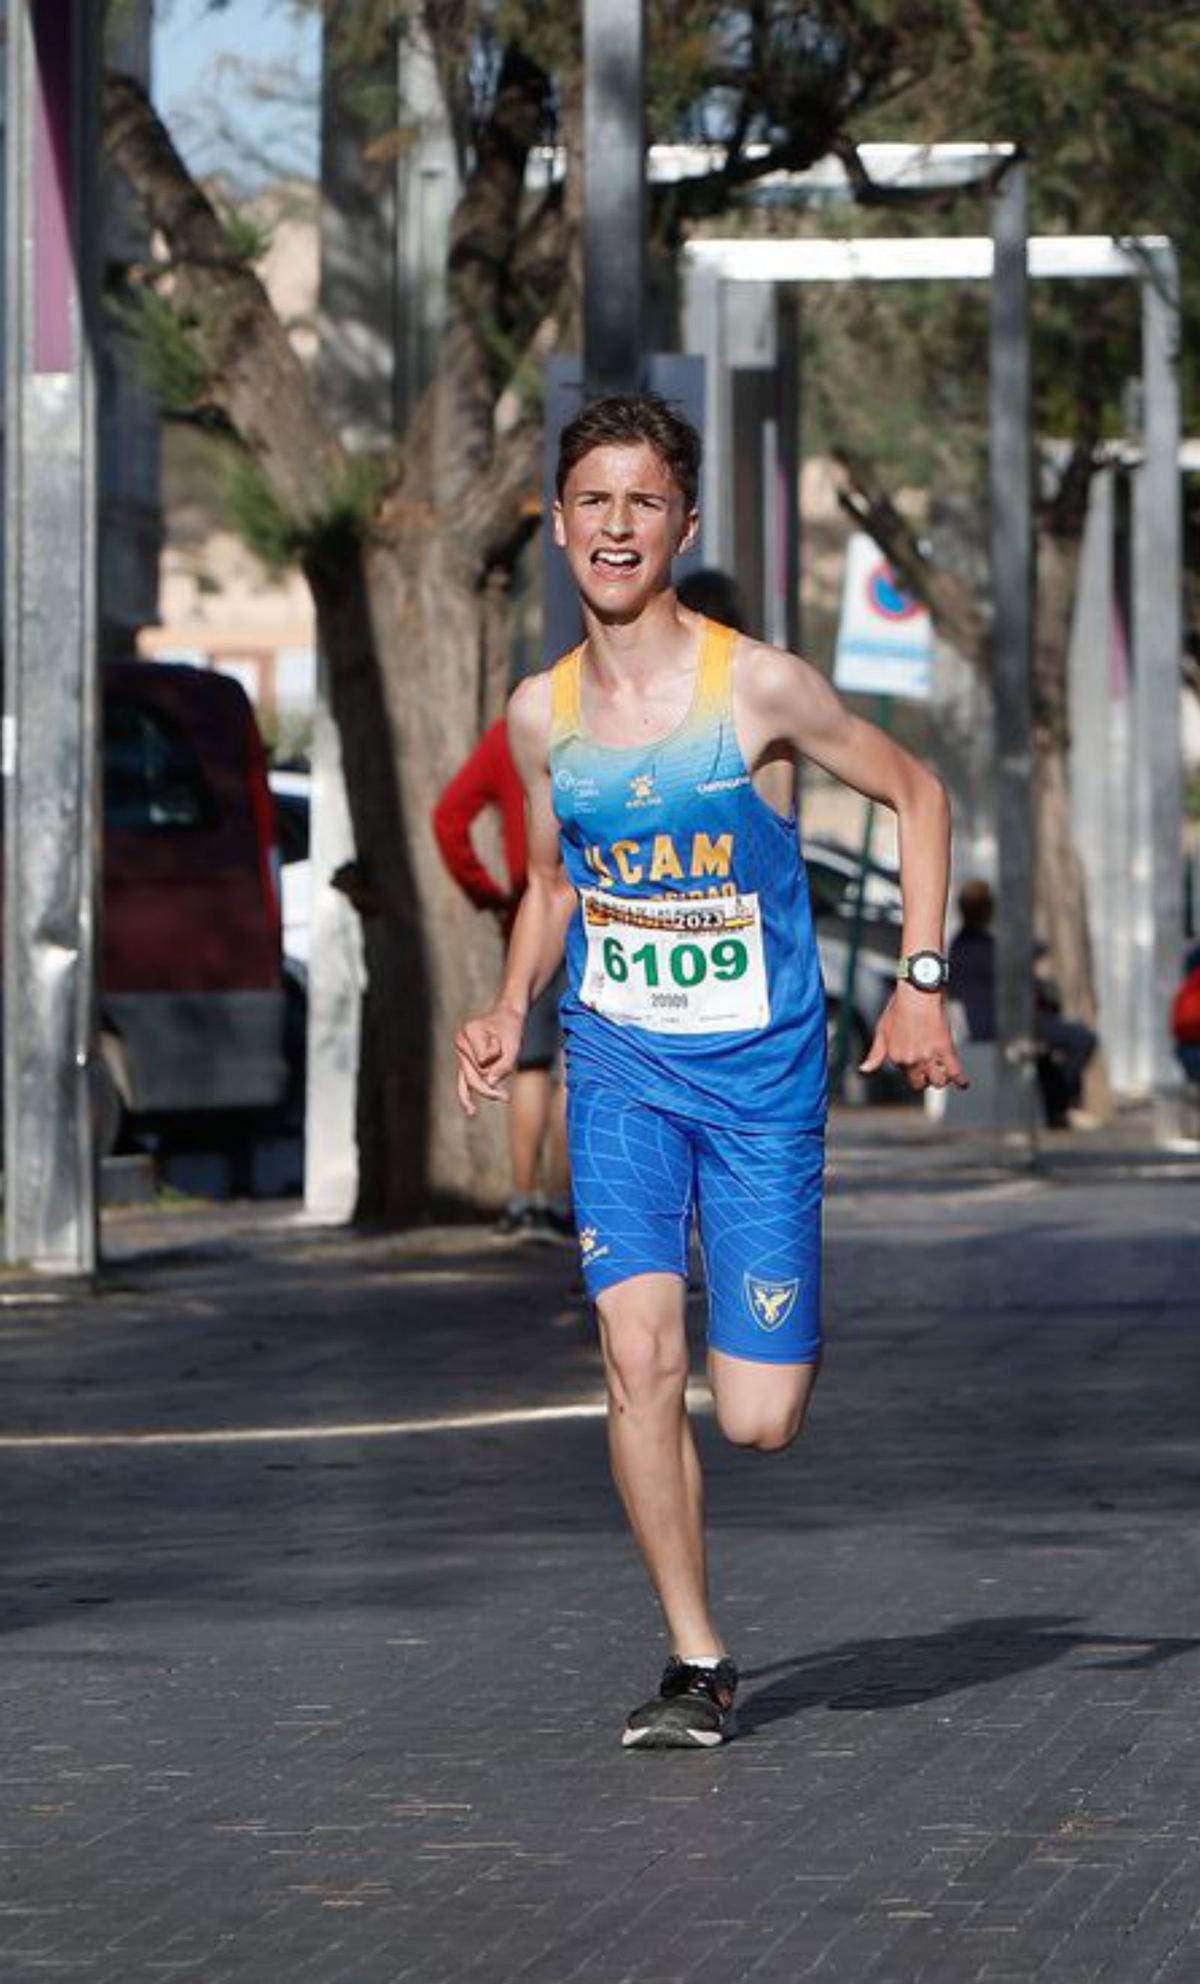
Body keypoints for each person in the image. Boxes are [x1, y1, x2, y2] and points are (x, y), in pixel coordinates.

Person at [455, 393, 965, 1749]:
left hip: (760, 1082)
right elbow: (553, 883)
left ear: (682, 523)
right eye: (592, 502)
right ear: (557, 526)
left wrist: (920, 984)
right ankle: (695, 1659)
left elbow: (919, 795)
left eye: (642, 502)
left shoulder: (761, 686)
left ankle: (776, 1312)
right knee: (635, 1353)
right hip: (621, 1071)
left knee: (756, 1420)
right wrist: (512, 1007)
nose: (616, 526)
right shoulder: (536, 713)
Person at [433, 718, 571, 1240]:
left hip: (526, 916)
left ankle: (523, 1198)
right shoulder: (598, 723)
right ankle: (563, 1200)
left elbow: (449, 818)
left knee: (530, 1064)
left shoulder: (510, 734)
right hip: (598, 913)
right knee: (573, 1068)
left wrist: (486, 891)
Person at [948, 878, 1097, 1127]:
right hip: (1006, 1024)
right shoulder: (982, 947)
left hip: (988, 1024)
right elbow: (1018, 960)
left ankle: (1056, 1107)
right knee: (1081, 1038)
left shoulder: (959, 945)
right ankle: (1062, 1102)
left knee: (1048, 1054)